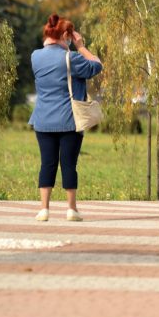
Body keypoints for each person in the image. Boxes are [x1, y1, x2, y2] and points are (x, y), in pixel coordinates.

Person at [28, 14, 103, 222]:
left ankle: (44, 209)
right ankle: (71, 209)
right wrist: (80, 46)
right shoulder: (73, 58)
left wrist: (61, 44)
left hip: (42, 120)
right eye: (70, 36)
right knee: (69, 164)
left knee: (47, 163)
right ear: (64, 35)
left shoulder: (35, 56)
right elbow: (96, 66)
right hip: (70, 120)